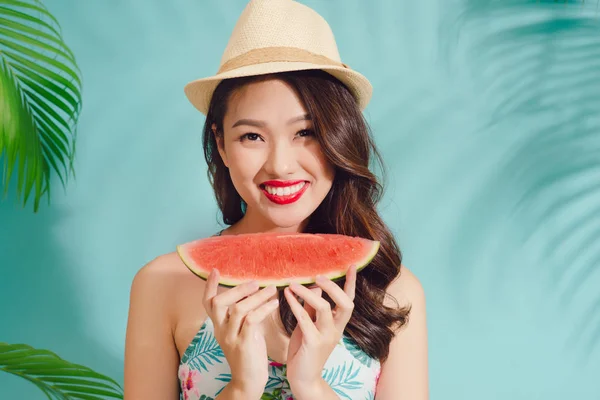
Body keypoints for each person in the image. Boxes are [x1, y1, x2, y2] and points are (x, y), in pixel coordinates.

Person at [123, 0, 428, 399]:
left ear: (340, 138)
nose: (281, 166)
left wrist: (310, 385)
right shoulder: (160, 284)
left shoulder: (393, 291)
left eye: (307, 132)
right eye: (252, 136)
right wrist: (242, 388)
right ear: (221, 143)